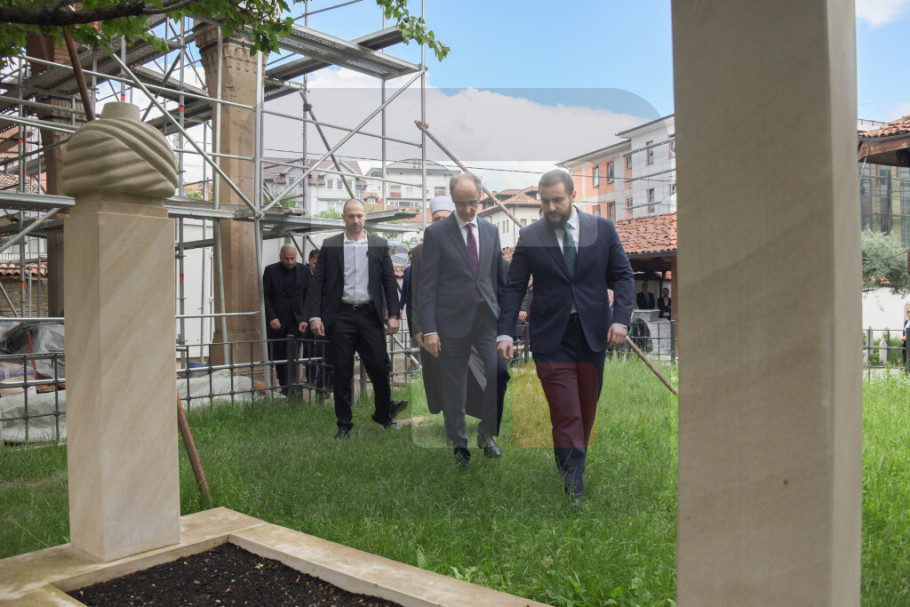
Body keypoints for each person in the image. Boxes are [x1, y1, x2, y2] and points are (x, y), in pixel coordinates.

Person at [498, 169, 634, 507]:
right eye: (544, 202)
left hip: (592, 334)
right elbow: (515, 287)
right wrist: (504, 331)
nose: (550, 207)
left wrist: (621, 320)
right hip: (550, 337)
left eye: (557, 200)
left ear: (573, 195)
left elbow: (623, 275)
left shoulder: (602, 229)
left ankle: (570, 462)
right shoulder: (531, 235)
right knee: (565, 409)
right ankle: (574, 484)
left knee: (586, 408)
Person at [419, 174, 506, 472]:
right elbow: (427, 286)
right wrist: (430, 329)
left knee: (499, 373)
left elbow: (498, 279)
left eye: (473, 203)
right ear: (452, 200)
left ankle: (486, 434)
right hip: (450, 322)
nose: (468, 210)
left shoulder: (491, 231)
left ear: (480, 198)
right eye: (461, 204)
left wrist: (507, 326)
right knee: (454, 386)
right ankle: (460, 447)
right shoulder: (436, 233)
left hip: (486, 319)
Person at [305, 199, 402, 439]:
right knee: (342, 371)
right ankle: (344, 425)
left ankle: (384, 415)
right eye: (351, 216)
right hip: (341, 315)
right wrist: (315, 316)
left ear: (365, 216)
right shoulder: (331, 245)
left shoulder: (379, 244)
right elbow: (318, 283)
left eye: (359, 215)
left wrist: (394, 314)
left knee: (380, 368)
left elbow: (389, 282)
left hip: (370, 315)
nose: (356, 220)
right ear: (343, 217)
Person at [262, 244, 310, 395]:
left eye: (292, 258)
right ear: (280, 257)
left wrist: (305, 318)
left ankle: (292, 385)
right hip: (277, 320)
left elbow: (308, 295)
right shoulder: (270, 271)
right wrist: (271, 317)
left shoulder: (304, 270)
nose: (290, 262)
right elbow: (265, 297)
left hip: (297, 320)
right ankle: (284, 385)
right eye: (286, 259)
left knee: (294, 353)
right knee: (279, 354)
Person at [902, 303, 910, 372]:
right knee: (906, 359)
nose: (909, 314)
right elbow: (904, 331)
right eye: (908, 312)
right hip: (906, 343)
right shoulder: (906, 322)